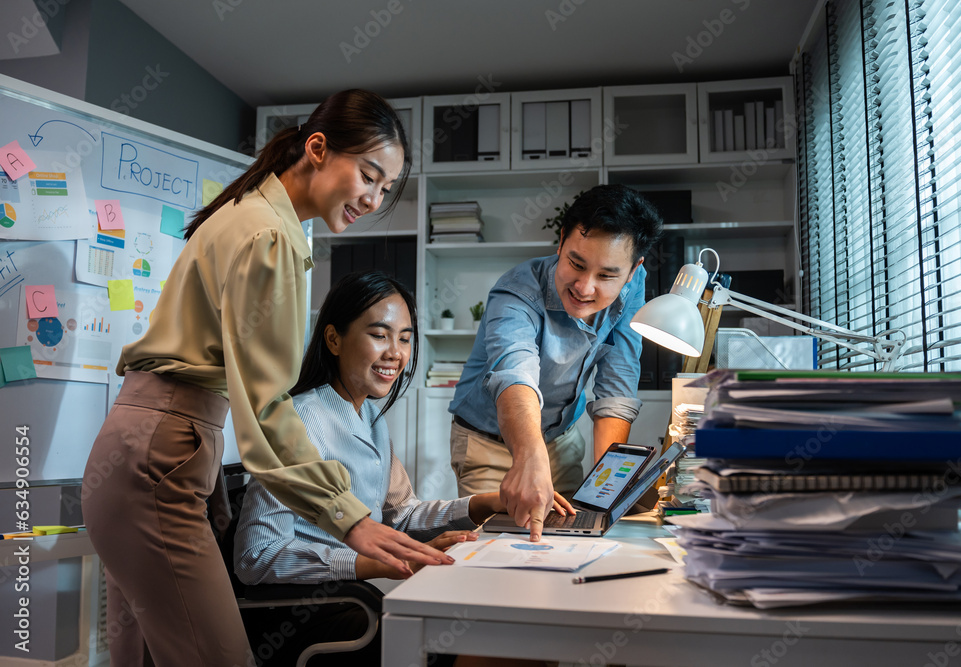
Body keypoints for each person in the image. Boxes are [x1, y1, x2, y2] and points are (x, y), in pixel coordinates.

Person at [81, 89, 449, 667]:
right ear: (319, 148)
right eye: (370, 177)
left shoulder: (250, 213)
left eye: (385, 189)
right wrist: (348, 519)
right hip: (157, 457)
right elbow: (265, 407)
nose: (374, 200)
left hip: (141, 450)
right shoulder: (270, 235)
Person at [235, 270, 506, 665]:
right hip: (311, 617)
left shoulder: (371, 417)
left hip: (354, 603)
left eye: (405, 338)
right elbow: (257, 556)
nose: (395, 352)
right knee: (479, 640)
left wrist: (487, 503)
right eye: (379, 335)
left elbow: (402, 513)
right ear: (334, 339)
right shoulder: (303, 420)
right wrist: (372, 564)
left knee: (485, 628)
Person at [448, 184, 663, 542]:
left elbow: (617, 379)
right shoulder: (516, 291)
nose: (585, 287)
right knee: (497, 553)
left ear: (632, 270)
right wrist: (530, 459)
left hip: (560, 441)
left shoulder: (633, 284)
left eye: (607, 276)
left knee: (580, 538)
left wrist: (605, 484)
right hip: (488, 443)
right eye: (576, 264)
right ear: (561, 241)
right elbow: (514, 376)